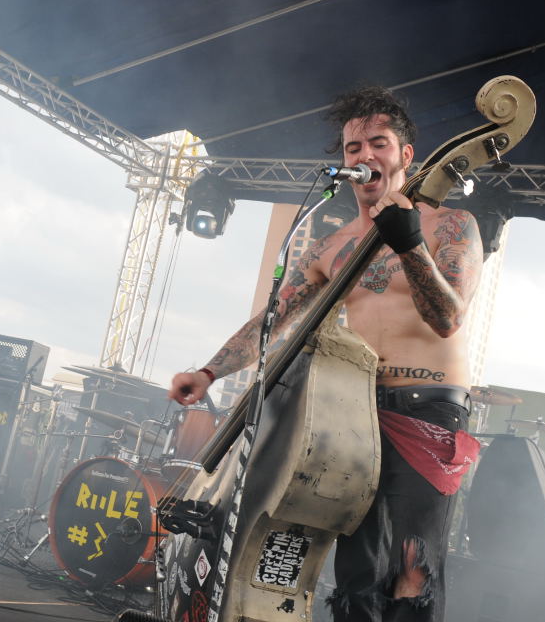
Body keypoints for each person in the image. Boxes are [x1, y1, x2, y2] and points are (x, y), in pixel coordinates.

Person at [169, 86, 483, 622]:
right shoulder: (332, 247)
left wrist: (409, 244)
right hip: (354, 416)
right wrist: (208, 371)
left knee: (412, 570)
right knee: (359, 569)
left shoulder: (451, 225)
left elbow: (447, 317)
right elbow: (274, 319)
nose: (364, 156)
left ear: (405, 155)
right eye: (353, 148)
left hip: (426, 410)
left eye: (378, 144)